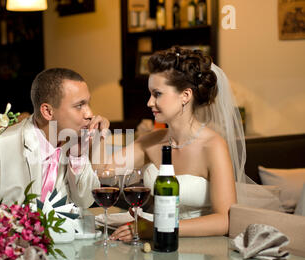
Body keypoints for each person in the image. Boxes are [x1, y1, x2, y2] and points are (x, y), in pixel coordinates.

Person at [109, 46, 254, 241]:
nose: (149, 102)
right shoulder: (150, 141)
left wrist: (157, 228)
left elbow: (224, 220)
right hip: (156, 246)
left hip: (203, 251)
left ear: (185, 95)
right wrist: (91, 132)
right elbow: (104, 170)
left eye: (157, 94)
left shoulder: (213, 146)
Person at [0, 68, 109, 231]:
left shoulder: (73, 143)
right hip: (9, 252)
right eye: (79, 106)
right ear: (48, 111)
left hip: (62, 252)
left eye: (88, 103)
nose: (90, 113)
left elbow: (84, 202)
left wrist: (78, 155)